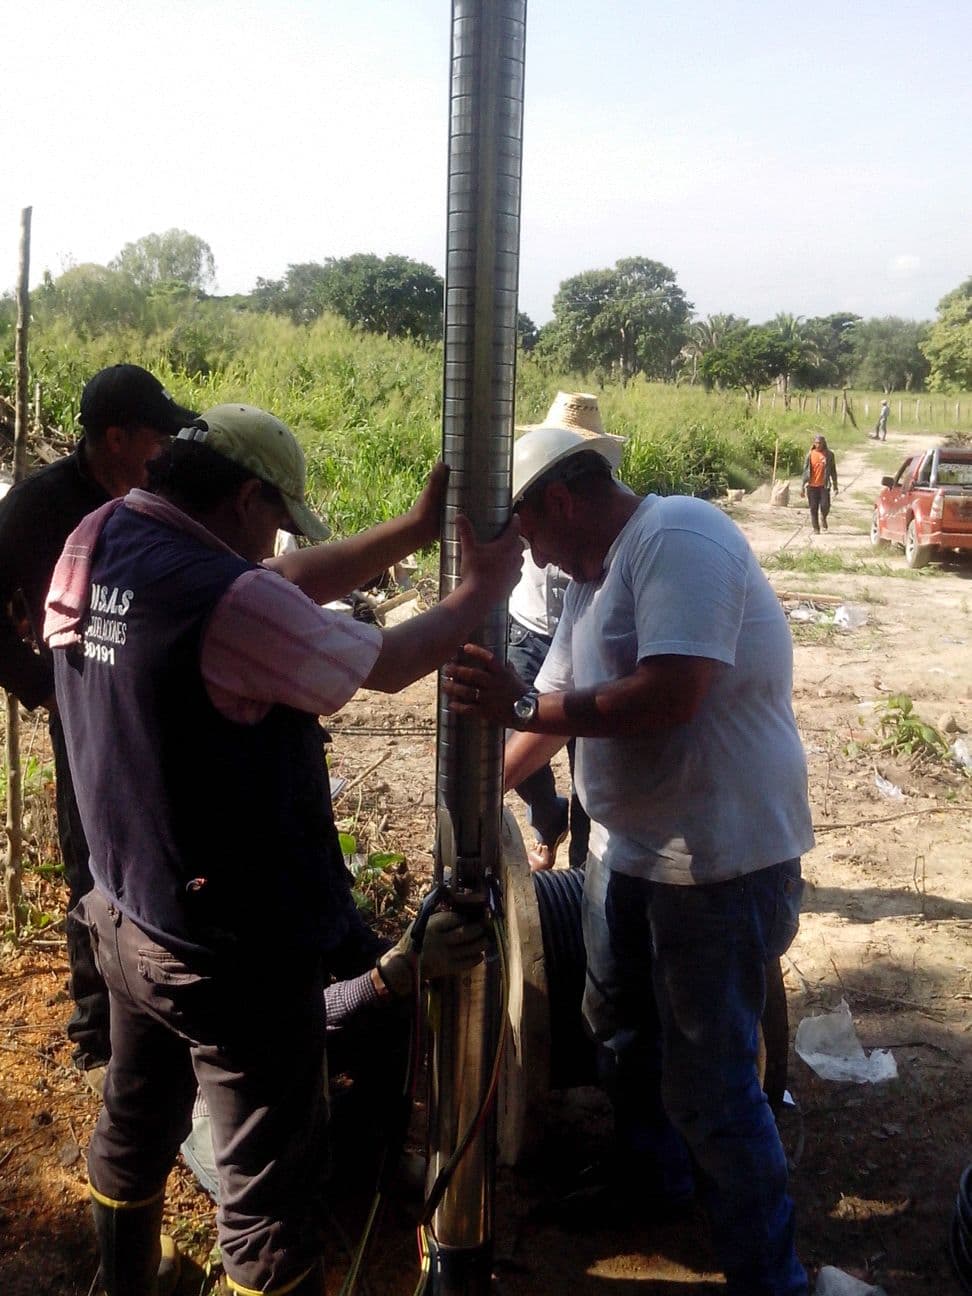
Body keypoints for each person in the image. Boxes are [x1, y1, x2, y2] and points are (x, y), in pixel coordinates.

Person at [43, 404, 522, 1296]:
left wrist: (414, 530)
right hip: (227, 958)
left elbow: (279, 580)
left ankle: (126, 1281)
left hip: (123, 915)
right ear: (245, 497)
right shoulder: (228, 600)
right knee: (267, 1202)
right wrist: (481, 592)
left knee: (135, 1123)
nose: (273, 542)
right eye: (273, 517)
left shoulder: (100, 535)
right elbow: (385, 662)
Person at [443, 413, 814, 1296]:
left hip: (716, 864)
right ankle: (655, 1181)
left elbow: (672, 692)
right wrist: (469, 809)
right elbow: (548, 710)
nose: (531, 556)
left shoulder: (678, 535)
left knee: (712, 1087)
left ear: (563, 502)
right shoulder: (588, 584)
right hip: (626, 853)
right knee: (617, 1033)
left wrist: (520, 708)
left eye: (528, 532)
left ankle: (771, 1278)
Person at [0, 364, 196, 1088]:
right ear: (115, 438)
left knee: (162, 849)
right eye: (156, 435)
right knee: (91, 855)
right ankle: (97, 1028)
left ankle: (161, 1004)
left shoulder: (163, 493)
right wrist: (44, 688)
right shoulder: (36, 508)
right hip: (82, 709)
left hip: (154, 707)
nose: (166, 448)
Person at [800, 433, 838, 533]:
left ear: (824, 443)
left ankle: (823, 517)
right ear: (814, 443)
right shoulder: (810, 454)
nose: (818, 445)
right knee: (813, 508)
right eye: (816, 443)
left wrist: (835, 486)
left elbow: (833, 471)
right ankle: (816, 528)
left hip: (824, 485)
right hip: (811, 486)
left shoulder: (829, 455)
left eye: (820, 443)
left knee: (825, 506)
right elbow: (805, 471)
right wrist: (802, 487)